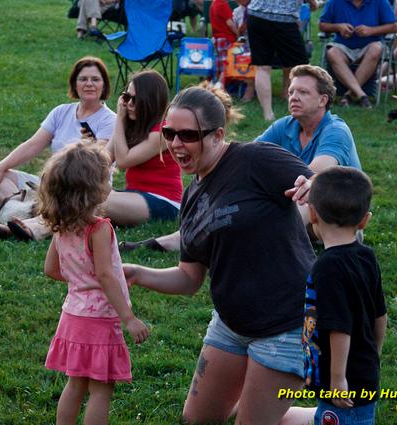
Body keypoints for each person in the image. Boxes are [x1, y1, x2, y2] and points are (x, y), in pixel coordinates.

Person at [123, 87, 316, 425]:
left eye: (188, 135)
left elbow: (324, 183)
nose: (176, 144)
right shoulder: (192, 196)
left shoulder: (256, 160)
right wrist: (138, 273)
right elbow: (189, 278)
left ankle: (330, 418)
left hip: (286, 325)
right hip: (231, 325)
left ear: (217, 135)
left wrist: (317, 186)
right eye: (169, 133)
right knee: (196, 420)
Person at [122, 64, 360, 252]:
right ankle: (172, 241)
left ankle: (245, 241)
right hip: (296, 217)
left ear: (323, 100)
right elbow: (243, 158)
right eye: (291, 92)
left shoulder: (335, 130)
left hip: (336, 218)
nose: (293, 97)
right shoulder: (285, 126)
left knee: (301, 196)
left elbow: (315, 175)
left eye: (303, 92)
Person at [0, 70, 183, 241]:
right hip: (133, 196)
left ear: (150, 102)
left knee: (93, 199)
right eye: (126, 97)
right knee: (83, 193)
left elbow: (124, 161)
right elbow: (103, 160)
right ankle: (28, 224)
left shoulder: (163, 132)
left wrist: (120, 118)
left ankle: (34, 226)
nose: (129, 104)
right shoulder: (133, 128)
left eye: (135, 100)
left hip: (163, 202)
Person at [40, 142, 149, 425]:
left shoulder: (61, 227)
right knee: (102, 389)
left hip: (73, 316)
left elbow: (51, 269)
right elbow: (105, 275)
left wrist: (79, 279)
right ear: (94, 189)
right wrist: (129, 318)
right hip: (100, 320)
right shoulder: (99, 229)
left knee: (75, 384)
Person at [0, 56, 116, 239]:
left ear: (104, 85)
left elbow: (102, 161)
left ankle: (15, 213)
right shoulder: (61, 112)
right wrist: (0, 168)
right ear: (75, 84)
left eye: (95, 79)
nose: (89, 84)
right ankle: (27, 210)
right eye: (83, 79)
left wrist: (90, 144)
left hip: (82, 188)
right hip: (50, 183)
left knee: (68, 199)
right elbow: (32, 145)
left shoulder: (110, 120)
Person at [304, 166, 387, 425]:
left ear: (312, 214)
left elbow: (339, 327)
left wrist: (338, 379)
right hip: (362, 369)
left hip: (343, 380)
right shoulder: (366, 255)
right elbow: (380, 313)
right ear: (365, 220)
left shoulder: (327, 267)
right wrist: (375, 353)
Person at [319, 0, 397, 108]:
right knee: (332, 52)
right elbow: (322, 25)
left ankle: (348, 95)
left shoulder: (379, 2)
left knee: (376, 48)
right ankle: (361, 95)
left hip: (369, 45)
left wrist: (371, 31)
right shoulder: (334, 2)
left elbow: (394, 26)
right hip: (343, 45)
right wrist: (338, 27)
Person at [247, 0, 309, 120]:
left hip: (256, 15)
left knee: (262, 67)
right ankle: (302, 109)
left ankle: (268, 114)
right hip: (284, 18)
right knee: (301, 67)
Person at [210, 0, 240, 82]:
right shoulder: (222, 4)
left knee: (220, 61)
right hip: (226, 37)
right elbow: (229, 23)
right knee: (227, 63)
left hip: (217, 38)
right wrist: (238, 33)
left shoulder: (214, 3)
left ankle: (217, 81)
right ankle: (222, 83)